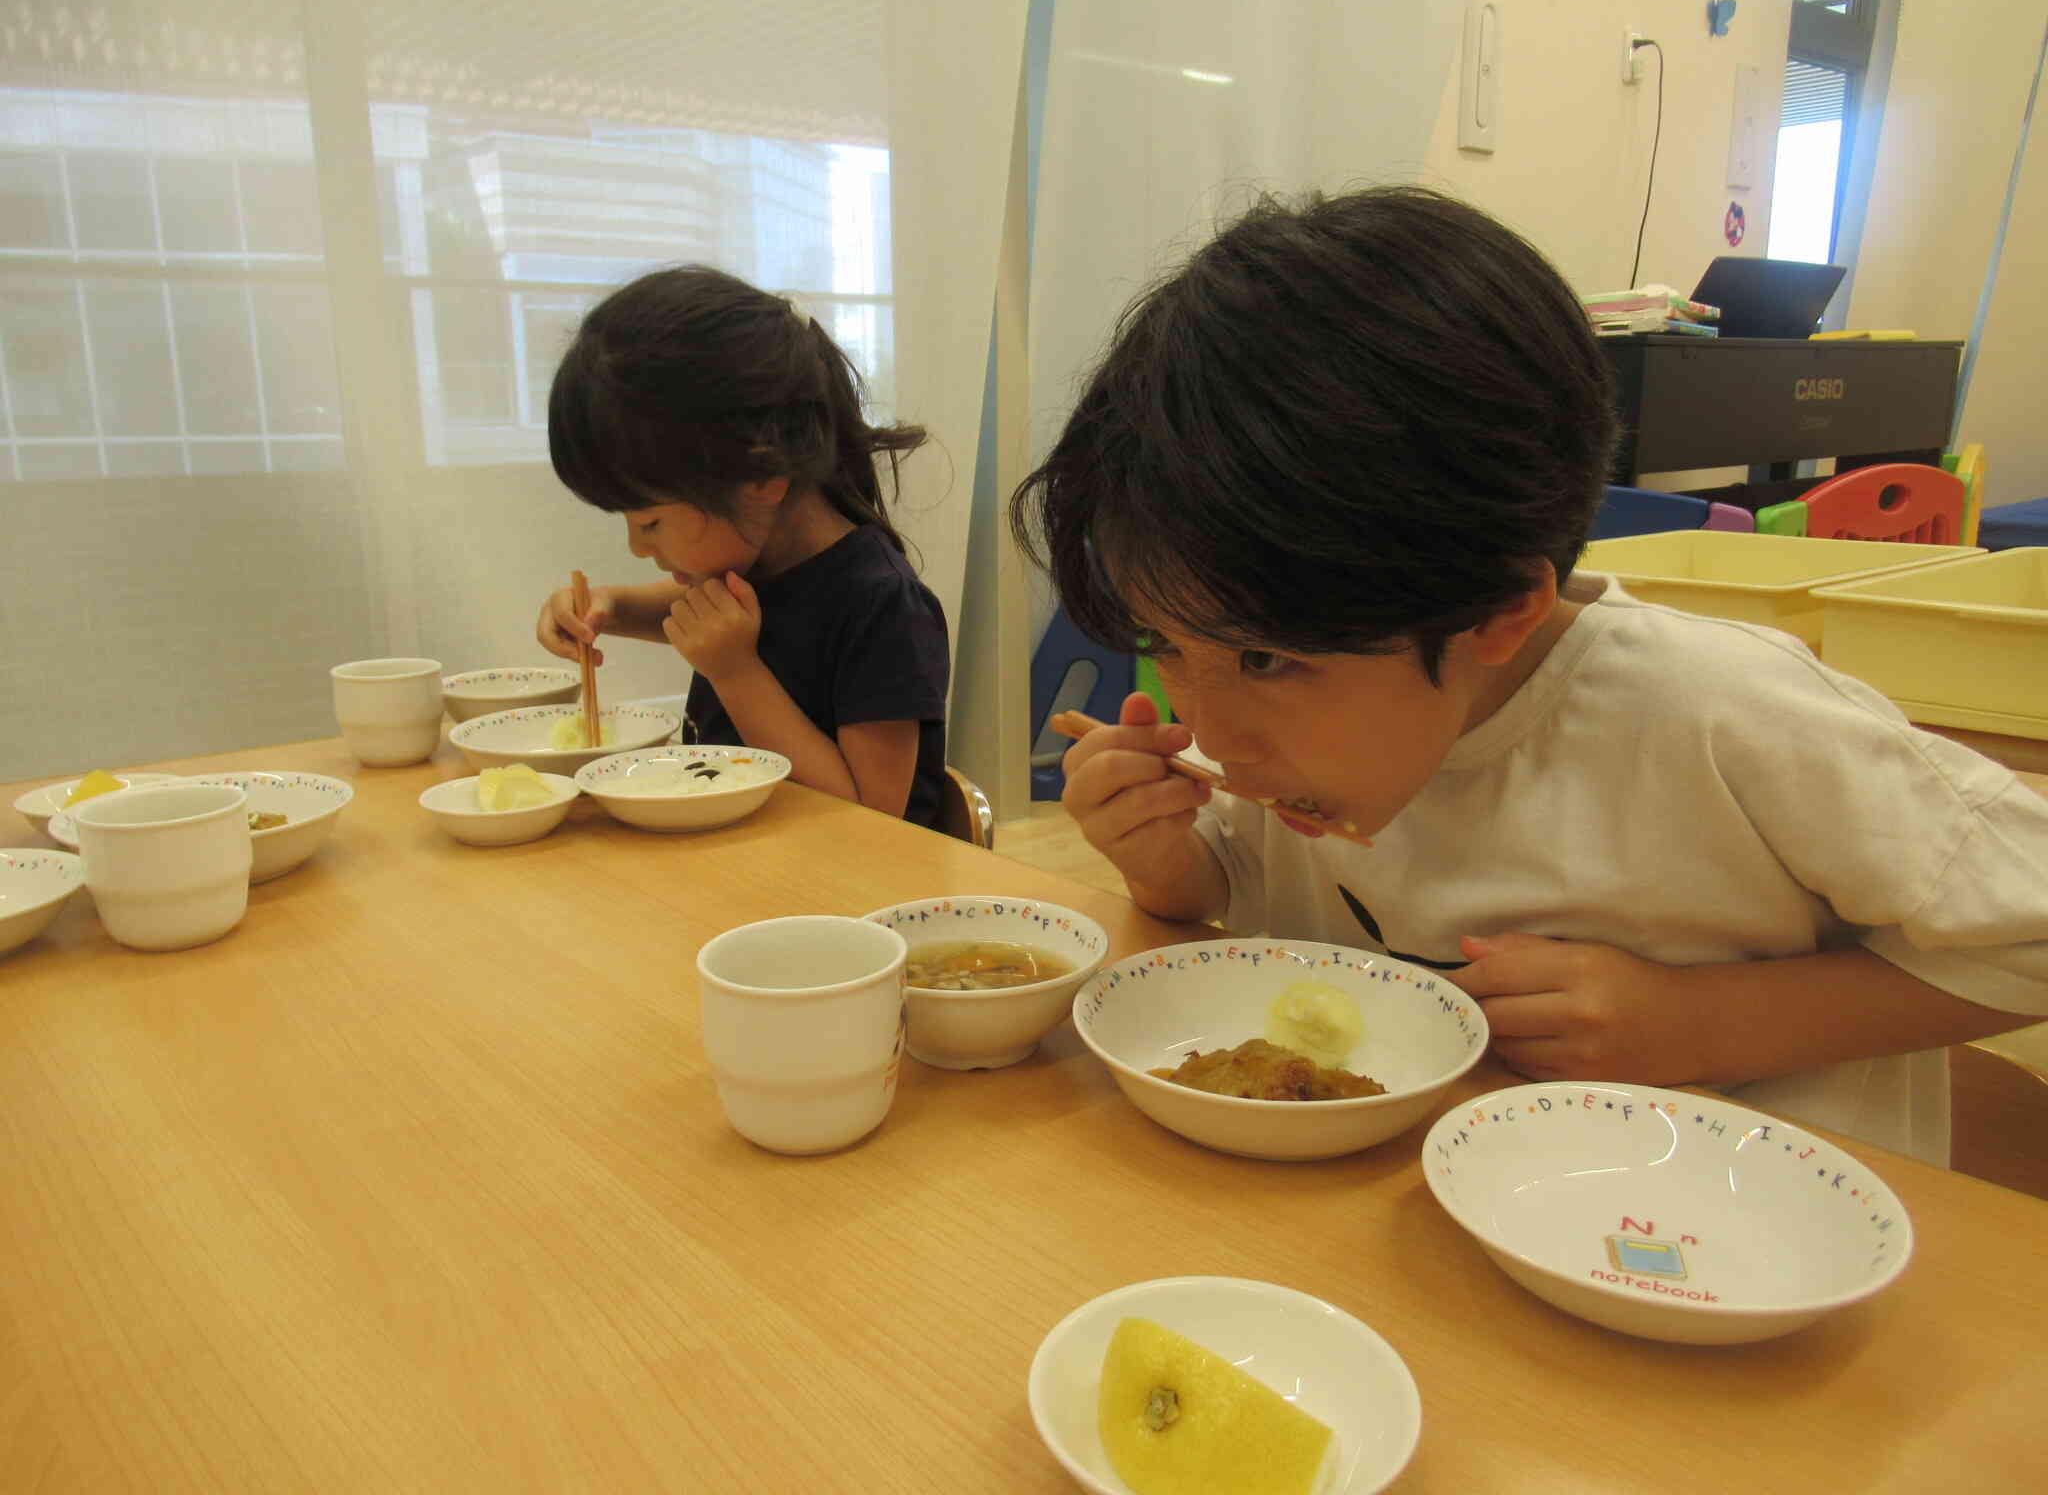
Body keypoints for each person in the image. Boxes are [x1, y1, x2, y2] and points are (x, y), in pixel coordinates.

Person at [1009, 185, 2048, 1163]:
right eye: (1167, 646)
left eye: (1261, 658)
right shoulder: (1297, 735)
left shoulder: (1718, 717)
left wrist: (1702, 1023)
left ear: (1497, 610)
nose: (1215, 735)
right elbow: (1241, 890)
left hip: (1737, 1254)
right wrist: (1167, 862)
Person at [538, 266, 950, 829]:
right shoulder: (753, 559)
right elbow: (699, 612)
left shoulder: (883, 605)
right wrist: (607, 608)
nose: (637, 547)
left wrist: (735, 671)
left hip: (854, 895)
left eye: (651, 521)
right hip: (748, 866)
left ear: (762, 477)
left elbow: (868, 816)